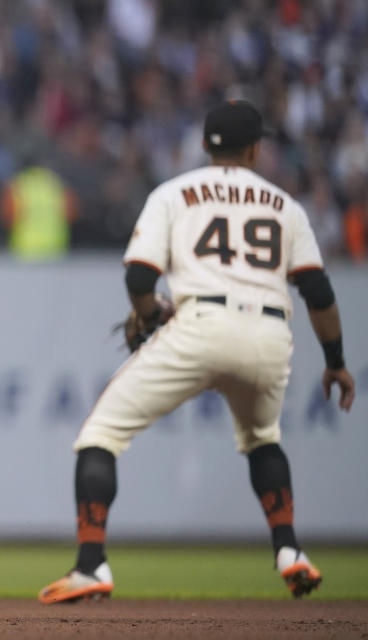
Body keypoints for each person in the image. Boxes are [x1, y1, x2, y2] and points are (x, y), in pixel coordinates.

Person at [38, 101, 356, 603]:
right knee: (261, 438)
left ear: (206, 145)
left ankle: (91, 564)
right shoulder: (284, 205)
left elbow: (140, 276)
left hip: (200, 324)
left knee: (100, 434)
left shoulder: (174, 194)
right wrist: (336, 362)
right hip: (270, 335)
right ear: (254, 148)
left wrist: (146, 311)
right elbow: (317, 293)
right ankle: (290, 550)